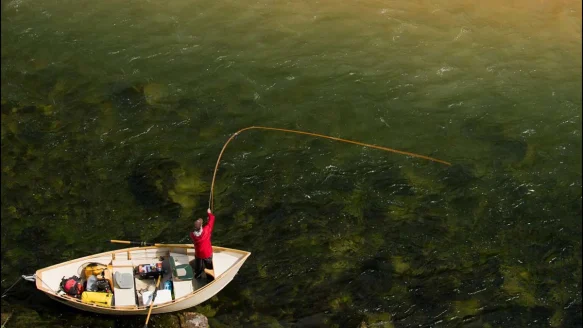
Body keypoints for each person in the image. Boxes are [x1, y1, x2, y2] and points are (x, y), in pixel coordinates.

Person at [189, 208, 215, 281]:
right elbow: (212, 219)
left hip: (198, 253)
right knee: (209, 266)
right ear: (201, 226)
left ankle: (197, 275)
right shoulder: (206, 230)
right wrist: (209, 213)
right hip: (207, 253)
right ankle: (210, 278)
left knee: (198, 266)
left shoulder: (192, 235)